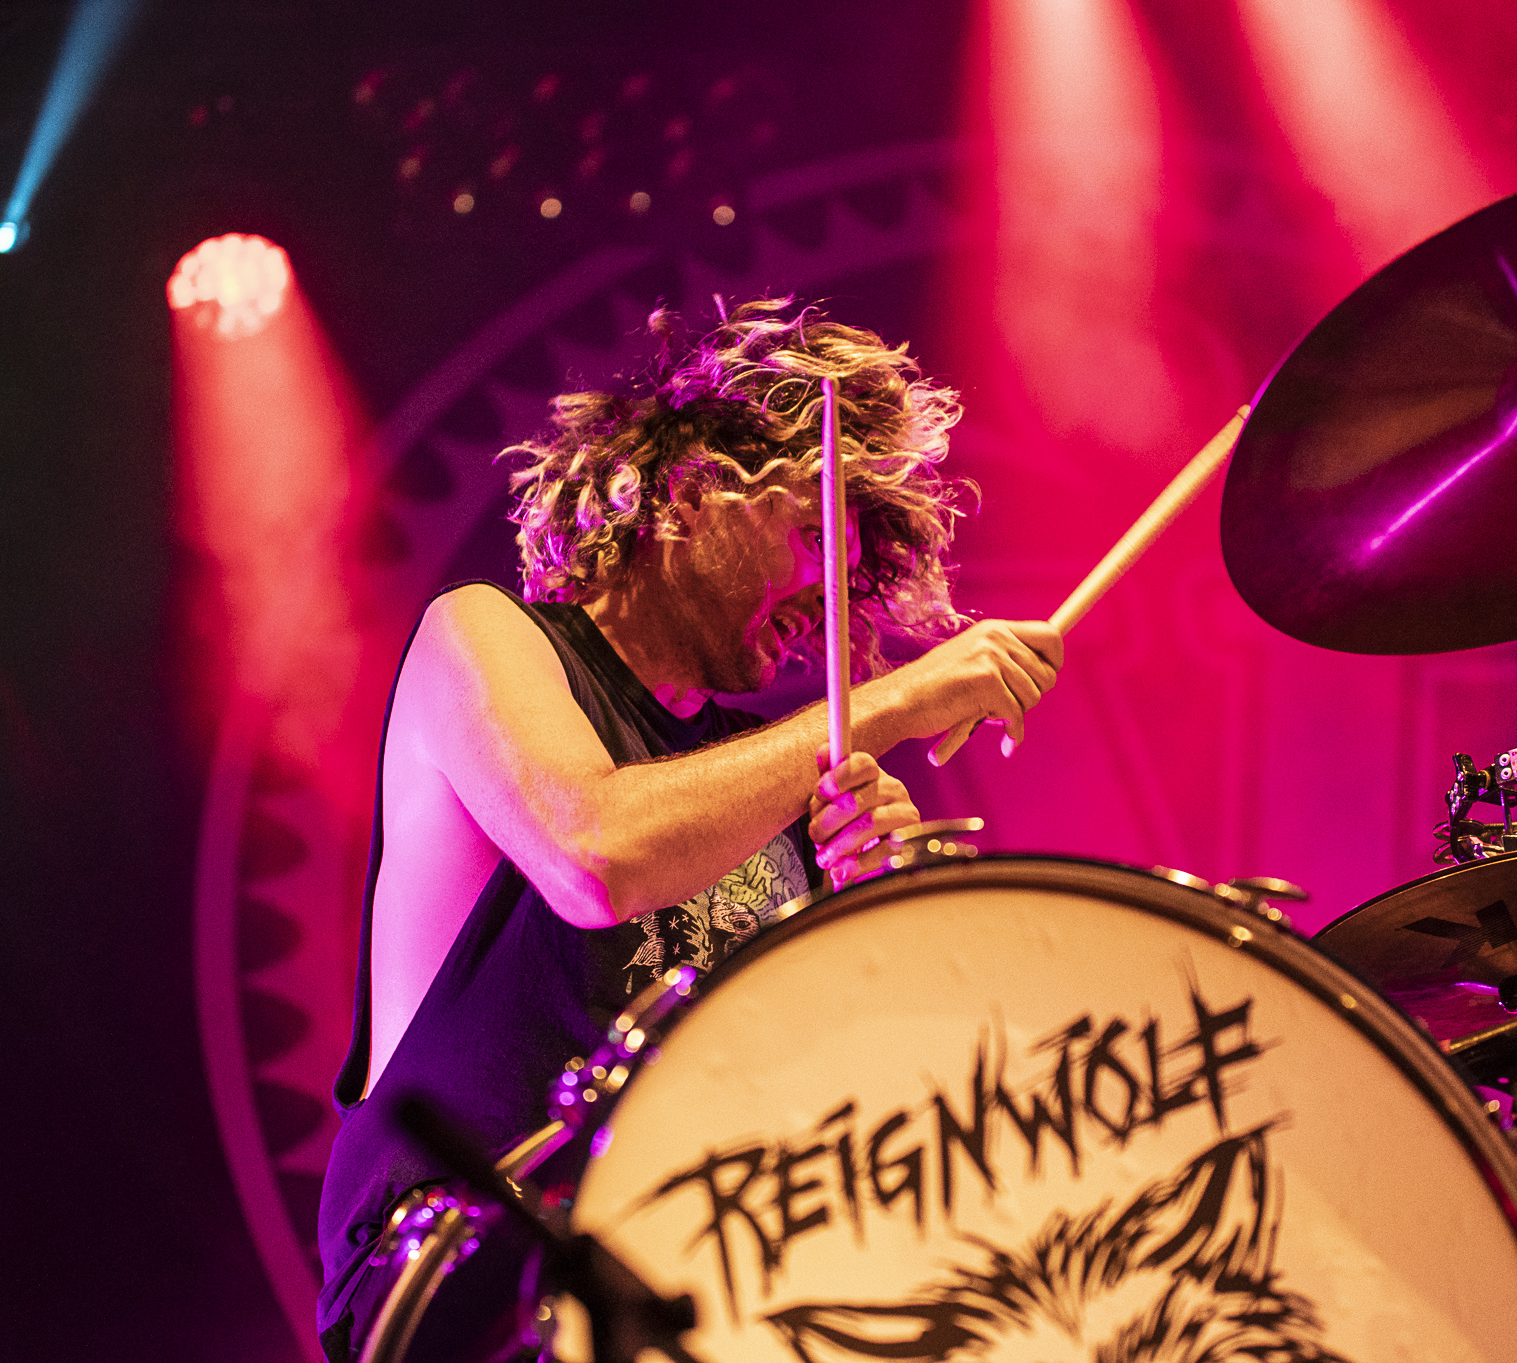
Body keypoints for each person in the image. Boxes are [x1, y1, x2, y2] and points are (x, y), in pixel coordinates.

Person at [315, 298, 1063, 1361]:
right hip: (469, 1268)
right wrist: (899, 699)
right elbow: (595, 857)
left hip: (683, 1273)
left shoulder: (766, 778)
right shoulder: (483, 637)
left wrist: (873, 918)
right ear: (690, 490)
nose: (827, 594)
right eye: (813, 536)